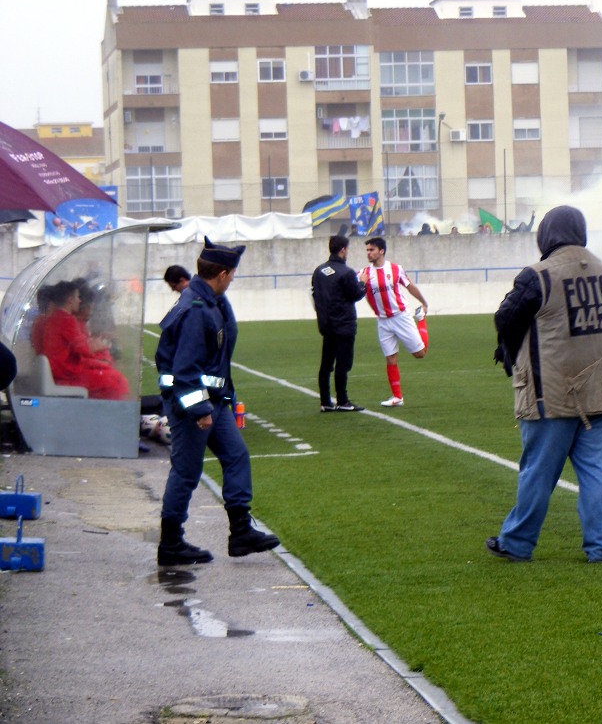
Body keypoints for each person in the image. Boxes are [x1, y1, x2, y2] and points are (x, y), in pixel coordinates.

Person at [487, 205, 602, 563]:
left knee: (538, 472)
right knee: (595, 471)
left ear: (546, 235)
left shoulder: (537, 276)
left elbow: (505, 317)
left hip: (551, 392)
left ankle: (517, 543)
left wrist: (508, 349)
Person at [154, 237, 280, 566]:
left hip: (214, 401)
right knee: (186, 471)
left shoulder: (211, 302)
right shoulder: (197, 310)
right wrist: (199, 411)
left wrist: (222, 399)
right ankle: (170, 544)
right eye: (232, 274)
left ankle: (240, 532)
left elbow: (216, 361)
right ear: (222, 274)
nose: (233, 279)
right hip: (193, 405)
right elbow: (184, 371)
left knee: (236, 456)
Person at [358, 237, 429, 407]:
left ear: (381, 251)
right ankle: (397, 397)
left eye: (372, 250)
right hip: (383, 321)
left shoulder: (396, 269)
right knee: (390, 358)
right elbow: (352, 290)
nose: (368, 253)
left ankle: (421, 320)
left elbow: (410, 286)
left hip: (401, 317)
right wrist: (360, 284)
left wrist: (424, 302)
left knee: (420, 354)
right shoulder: (363, 274)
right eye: (367, 250)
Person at [41, 280, 129, 400]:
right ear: (70, 300)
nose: (79, 300)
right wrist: (99, 345)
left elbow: (77, 346)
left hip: (59, 370)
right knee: (116, 381)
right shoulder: (67, 320)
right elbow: (83, 349)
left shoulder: (54, 318)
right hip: (66, 373)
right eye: (77, 297)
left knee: (109, 371)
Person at [311, 232, 366, 412]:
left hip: (326, 324)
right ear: (343, 250)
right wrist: (363, 283)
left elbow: (314, 295)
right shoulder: (346, 272)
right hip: (344, 325)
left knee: (326, 364)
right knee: (343, 364)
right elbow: (355, 294)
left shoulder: (319, 271)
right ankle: (342, 400)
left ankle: (325, 402)